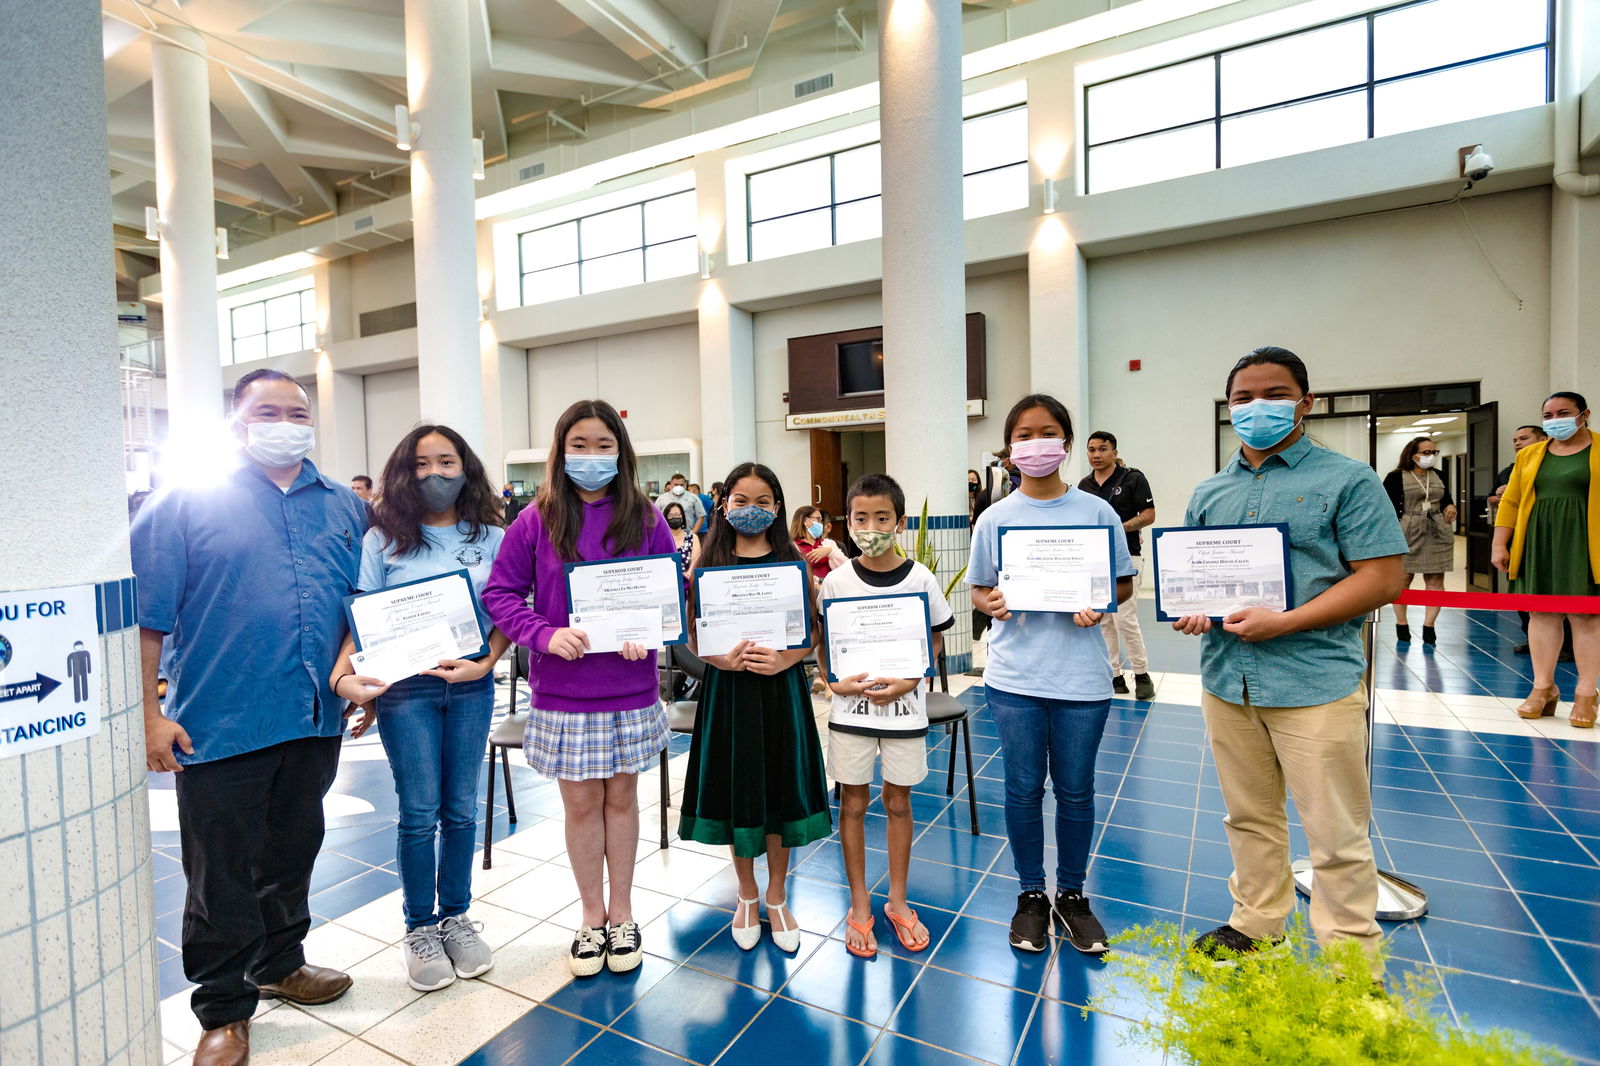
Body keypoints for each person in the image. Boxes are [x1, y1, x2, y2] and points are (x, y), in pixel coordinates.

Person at [131, 369, 365, 1066]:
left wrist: (360, 681)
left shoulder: (343, 508)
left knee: (293, 852)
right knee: (221, 874)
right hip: (221, 721)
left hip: (313, 717)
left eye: (297, 410)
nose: (286, 421)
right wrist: (149, 713)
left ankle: (279, 964)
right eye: (268, 411)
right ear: (236, 422)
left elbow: (359, 605)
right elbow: (146, 621)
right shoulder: (185, 503)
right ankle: (224, 1010)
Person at [1171, 346, 1406, 972]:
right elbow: (1195, 582)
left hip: (1314, 683)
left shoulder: (1346, 480)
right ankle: (1258, 924)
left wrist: (1289, 622)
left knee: (1335, 834)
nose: (1256, 408)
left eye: (1273, 395)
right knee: (1248, 816)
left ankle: (1351, 964)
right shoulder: (1209, 491)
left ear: (1306, 403)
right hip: (1229, 682)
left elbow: (1382, 578)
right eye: (1243, 398)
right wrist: (1193, 610)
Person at [483, 400, 677, 977]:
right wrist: (542, 634)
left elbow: (670, 595)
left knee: (622, 801)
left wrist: (652, 633)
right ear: (560, 452)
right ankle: (590, 918)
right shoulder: (536, 519)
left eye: (603, 446)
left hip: (630, 688)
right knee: (581, 806)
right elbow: (500, 594)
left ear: (621, 452)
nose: (591, 457)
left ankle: (623, 913)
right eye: (579, 446)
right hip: (565, 692)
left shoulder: (644, 516)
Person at [334, 424, 510, 992]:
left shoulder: (492, 536)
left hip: (470, 684)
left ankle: (456, 917)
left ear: (467, 468)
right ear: (403, 473)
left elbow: (509, 610)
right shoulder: (382, 539)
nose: (435, 473)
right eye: (421, 463)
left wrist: (487, 663)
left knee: (460, 808)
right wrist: (351, 678)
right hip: (406, 690)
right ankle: (418, 928)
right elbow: (362, 614)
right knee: (419, 810)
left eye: (447, 461)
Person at [969, 395, 1135, 955]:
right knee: (1020, 790)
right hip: (1014, 678)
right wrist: (989, 602)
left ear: (1065, 441)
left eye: (1046, 432)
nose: (1035, 443)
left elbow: (1122, 583)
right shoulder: (994, 518)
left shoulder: (1096, 512)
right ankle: (1031, 896)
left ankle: (1073, 895)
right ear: (1010, 446)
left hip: (1082, 680)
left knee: (1076, 791)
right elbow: (979, 587)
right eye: (1023, 434)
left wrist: (1100, 602)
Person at [678, 462, 832, 952]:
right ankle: (746, 894)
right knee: (739, 788)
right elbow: (695, 636)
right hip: (729, 693)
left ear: (778, 506)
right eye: (740, 501)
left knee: (779, 788)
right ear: (724, 506)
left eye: (763, 501)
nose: (751, 510)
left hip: (779, 690)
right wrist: (719, 658)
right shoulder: (709, 565)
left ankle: (778, 893)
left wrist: (785, 658)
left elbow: (810, 634)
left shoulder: (794, 563)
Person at [820, 474, 954, 958]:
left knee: (898, 803)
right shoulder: (836, 581)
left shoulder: (922, 578)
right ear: (848, 521)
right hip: (850, 712)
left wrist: (913, 679)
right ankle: (860, 904)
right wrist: (834, 682)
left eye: (881, 518)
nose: (870, 527)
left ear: (899, 522)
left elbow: (935, 637)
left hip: (903, 711)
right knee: (852, 805)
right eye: (860, 518)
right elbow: (824, 643)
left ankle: (897, 900)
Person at [1494, 391, 1599, 728]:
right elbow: (1510, 501)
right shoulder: (1531, 455)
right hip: (1538, 540)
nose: (1555, 420)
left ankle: (1586, 691)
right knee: (1541, 613)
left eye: (1563, 413)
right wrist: (1500, 544)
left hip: (1585, 541)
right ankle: (1543, 687)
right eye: (1548, 415)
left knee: (1585, 618)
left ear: (1585, 414)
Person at [1077, 431, 1158, 700]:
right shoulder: (1084, 485)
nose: (1096, 455)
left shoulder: (1133, 478)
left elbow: (1149, 515)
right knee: (1103, 620)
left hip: (1127, 555)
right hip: (1094, 560)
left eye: (1102, 449)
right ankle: (1114, 674)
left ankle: (1142, 672)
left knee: (1125, 618)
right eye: (1091, 450)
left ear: (1114, 452)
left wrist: (1118, 529)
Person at [1383, 437, 1457, 646]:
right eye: (1426, 452)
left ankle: (1429, 625)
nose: (1430, 456)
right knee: (1403, 578)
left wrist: (1450, 506)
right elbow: (1386, 506)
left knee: (1435, 580)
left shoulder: (1439, 475)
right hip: (1407, 528)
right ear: (1412, 454)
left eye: (1434, 452)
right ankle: (1401, 623)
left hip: (1437, 529)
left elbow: (1446, 499)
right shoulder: (1396, 477)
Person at [1488, 425, 1555, 656]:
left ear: (1543, 439)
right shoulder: (1510, 470)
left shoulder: (1553, 467)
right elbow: (1493, 498)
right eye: (1515, 439)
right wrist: (1499, 495)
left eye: (1524, 438)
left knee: (1557, 594)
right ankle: (1531, 638)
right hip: (1518, 540)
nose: (1517, 443)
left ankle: (1566, 645)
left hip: (1549, 538)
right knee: (1523, 592)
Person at [791, 504, 846, 582]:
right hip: (809, 590)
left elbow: (846, 568)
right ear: (804, 521)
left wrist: (830, 552)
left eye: (821, 520)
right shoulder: (792, 546)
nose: (820, 524)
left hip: (832, 587)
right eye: (818, 519)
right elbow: (794, 575)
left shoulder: (829, 543)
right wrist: (818, 582)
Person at [662, 499, 699, 577]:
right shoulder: (661, 540)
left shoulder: (693, 538)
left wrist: (688, 575)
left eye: (677, 514)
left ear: (682, 517)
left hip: (688, 580)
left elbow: (695, 562)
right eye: (670, 515)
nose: (674, 517)